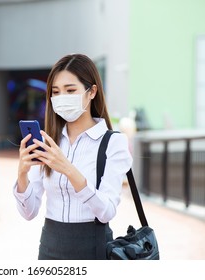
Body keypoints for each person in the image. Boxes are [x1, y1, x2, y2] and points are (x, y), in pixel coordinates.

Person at [13, 53, 133, 260]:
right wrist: (22, 174)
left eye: (70, 90)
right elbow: (29, 213)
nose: (62, 98)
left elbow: (106, 212)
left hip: (93, 248)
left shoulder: (113, 142)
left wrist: (68, 169)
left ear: (92, 91)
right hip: (49, 248)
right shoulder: (48, 142)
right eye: (56, 92)